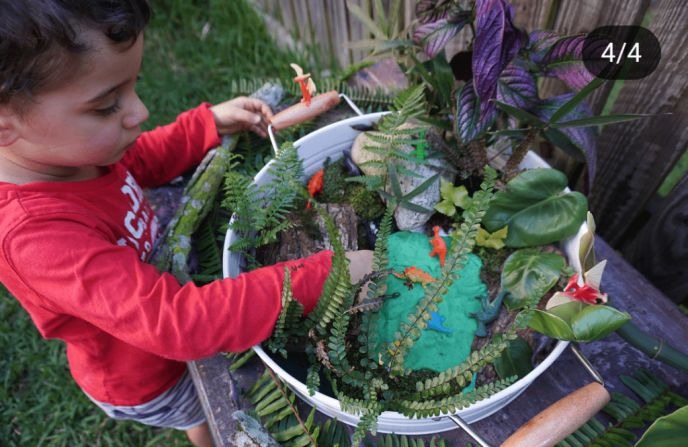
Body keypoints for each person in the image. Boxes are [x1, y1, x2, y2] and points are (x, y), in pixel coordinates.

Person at [0, 1, 372, 446]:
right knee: (205, 413)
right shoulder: (36, 239)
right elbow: (178, 324)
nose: (138, 111)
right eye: (105, 106)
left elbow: (135, 162)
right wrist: (325, 275)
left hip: (159, 321)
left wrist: (204, 125)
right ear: (5, 126)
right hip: (148, 374)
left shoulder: (72, 156)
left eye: (133, 87)